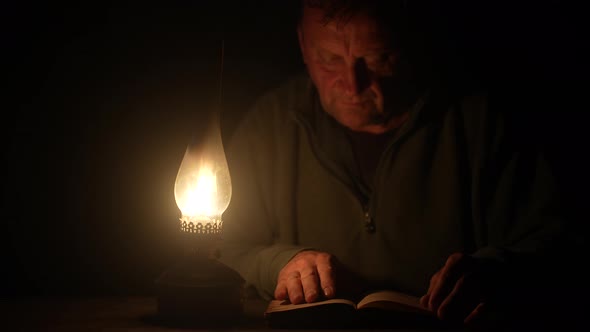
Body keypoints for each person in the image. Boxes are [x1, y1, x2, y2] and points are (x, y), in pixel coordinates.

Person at [219, 0, 580, 328]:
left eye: (377, 58)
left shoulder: (481, 122)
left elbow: (557, 244)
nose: (352, 84)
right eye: (329, 59)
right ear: (301, 44)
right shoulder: (273, 124)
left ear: (412, 43)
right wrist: (279, 264)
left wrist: (496, 270)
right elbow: (223, 246)